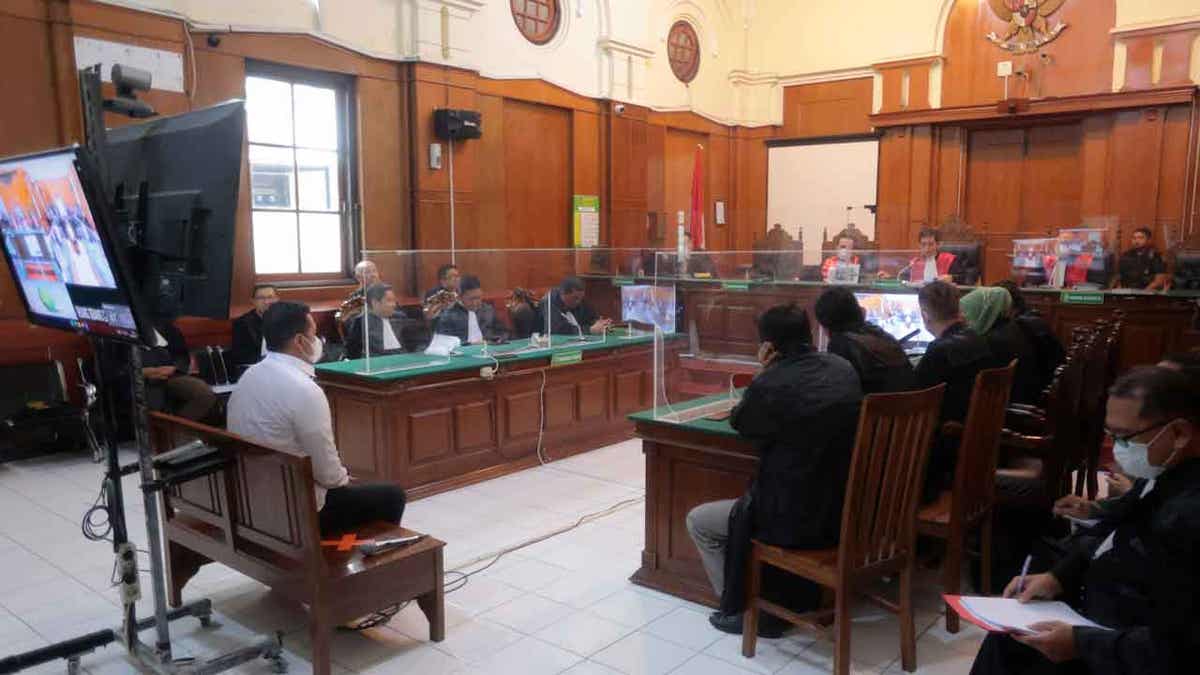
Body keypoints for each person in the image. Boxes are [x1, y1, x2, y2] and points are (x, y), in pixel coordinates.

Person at [969, 366, 1200, 675]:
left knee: (1013, 649)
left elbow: (1177, 648)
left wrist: (1081, 643)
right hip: (1099, 606)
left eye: (1124, 437)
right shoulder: (1163, 469)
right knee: (1007, 635)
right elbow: (1116, 524)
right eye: (1110, 435)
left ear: (1180, 434)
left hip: (1121, 643)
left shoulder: (1188, 516)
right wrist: (1059, 576)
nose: (1117, 451)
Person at [686, 304, 863, 636]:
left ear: (767, 346)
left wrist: (763, 373)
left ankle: (746, 611)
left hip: (795, 519)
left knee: (700, 521)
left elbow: (742, 421)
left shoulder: (774, 382)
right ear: (810, 333)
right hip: (846, 508)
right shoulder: (843, 368)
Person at [229, 301, 406, 536]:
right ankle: (350, 563)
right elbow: (329, 476)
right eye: (314, 334)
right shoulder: (304, 389)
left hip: (253, 495)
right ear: (300, 342)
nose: (318, 341)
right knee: (392, 495)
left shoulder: (249, 376)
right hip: (298, 508)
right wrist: (344, 478)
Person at [915, 281, 994, 499]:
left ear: (925, 314)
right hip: (975, 447)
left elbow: (917, 401)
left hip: (943, 457)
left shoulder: (939, 351)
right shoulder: (978, 340)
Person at [813, 287, 915, 394]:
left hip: (871, 408)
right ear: (858, 310)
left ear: (826, 324)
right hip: (910, 407)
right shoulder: (878, 332)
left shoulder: (840, 344)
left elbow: (838, 391)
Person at [961, 287, 1041, 405]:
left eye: (967, 314)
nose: (964, 320)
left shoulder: (990, 342)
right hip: (1025, 400)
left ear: (981, 311)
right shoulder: (1014, 329)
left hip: (1010, 408)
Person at [141, 316, 216, 422]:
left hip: (169, 374)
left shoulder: (163, 325)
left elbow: (181, 355)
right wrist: (145, 373)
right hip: (138, 376)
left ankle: (175, 429)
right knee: (152, 400)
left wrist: (175, 368)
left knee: (203, 393)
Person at [433, 275, 501, 344]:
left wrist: (496, 339)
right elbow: (444, 341)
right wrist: (470, 344)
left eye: (478, 298)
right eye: (471, 299)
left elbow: (503, 332)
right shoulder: (448, 314)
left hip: (488, 349)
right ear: (459, 297)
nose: (475, 303)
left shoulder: (488, 310)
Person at [345, 283, 405, 359]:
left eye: (394, 300)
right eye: (389, 300)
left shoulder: (400, 318)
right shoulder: (361, 322)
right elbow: (353, 354)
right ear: (375, 303)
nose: (394, 304)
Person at [536, 276, 612, 336]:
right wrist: (590, 330)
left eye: (581, 298)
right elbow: (555, 330)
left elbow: (591, 317)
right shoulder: (548, 302)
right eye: (575, 298)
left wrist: (600, 324)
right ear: (563, 294)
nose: (578, 302)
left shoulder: (578, 300)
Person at [229, 283, 278, 375]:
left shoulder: (285, 319)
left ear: (276, 299)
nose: (266, 302)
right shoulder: (242, 323)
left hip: (282, 366)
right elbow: (240, 356)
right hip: (256, 369)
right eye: (261, 298)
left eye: (270, 297)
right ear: (253, 301)